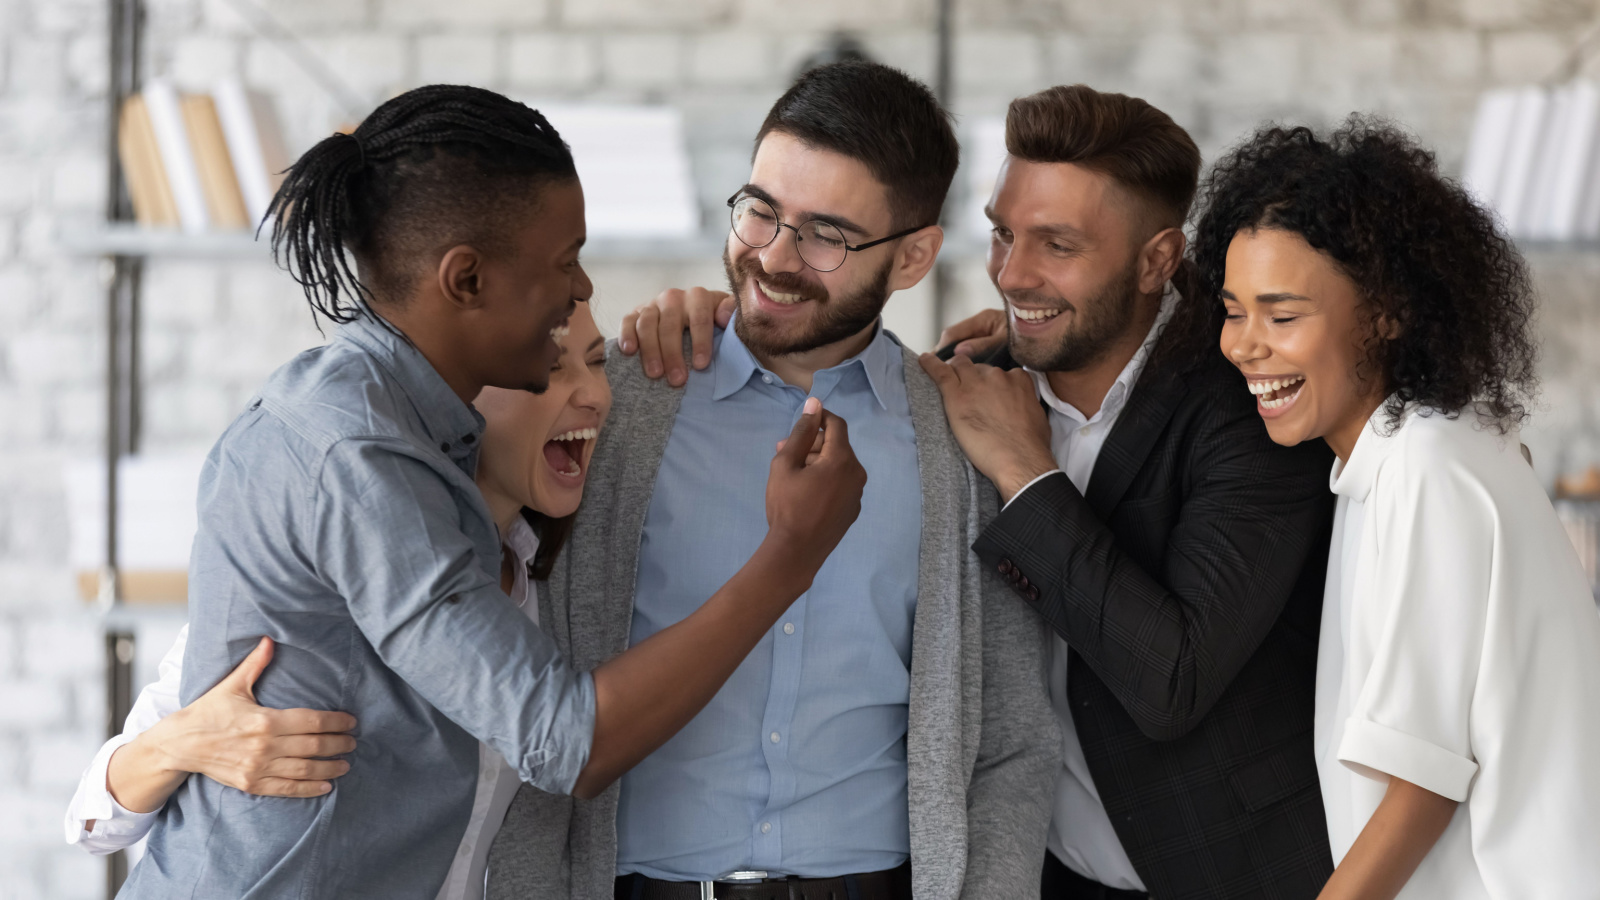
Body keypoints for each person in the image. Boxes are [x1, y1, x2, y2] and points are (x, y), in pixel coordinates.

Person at [115, 84, 867, 900]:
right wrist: (791, 555)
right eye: (564, 261)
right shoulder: (354, 457)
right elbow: (561, 739)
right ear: (466, 280)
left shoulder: (414, 429)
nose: (581, 290)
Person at [645, 84, 1338, 899]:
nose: (1013, 273)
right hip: (1047, 875)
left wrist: (1026, 474)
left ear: (1157, 260)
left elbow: (1171, 681)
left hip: (1231, 874)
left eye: (1058, 244)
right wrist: (711, 316)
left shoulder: (1249, 408)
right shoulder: (977, 383)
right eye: (1005, 234)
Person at [487, 62, 1059, 900]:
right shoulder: (621, 405)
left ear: (912, 258)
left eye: (826, 235)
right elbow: (509, 663)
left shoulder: (960, 438)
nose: (773, 258)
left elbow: (1012, 736)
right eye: (761, 211)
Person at [68, 302, 612, 900]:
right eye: (555, 368)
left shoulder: (556, 594)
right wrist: (180, 742)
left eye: (598, 362)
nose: (593, 394)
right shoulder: (328, 561)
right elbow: (94, 821)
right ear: (464, 398)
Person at [1183, 119, 1600, 899]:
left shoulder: (1424, 468)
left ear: (1385, 313)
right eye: (1234, 310)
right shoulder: (1409, 455)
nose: (1243, 345)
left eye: (1283, 315)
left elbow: (1422, 784)